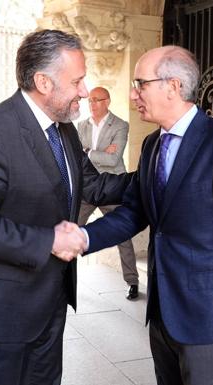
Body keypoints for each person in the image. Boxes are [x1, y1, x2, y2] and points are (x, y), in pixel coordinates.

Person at [66, 45, 213, 385]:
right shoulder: (152, 145)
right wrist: (84, 238)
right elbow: (136, 213)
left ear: (173, 87)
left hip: (207, 317)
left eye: (140, 84)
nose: (132, 95)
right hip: (162, 313)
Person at [0, 29, 131, 385]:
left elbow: (92, 184)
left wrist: (156, 177)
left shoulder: (65, 130)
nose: (83, 90)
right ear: (43, 81)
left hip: (51, 301)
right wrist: (49, 240)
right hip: (2, 309)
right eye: (76, 81)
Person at [77, 86, 139, 300]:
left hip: (112, 187)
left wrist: (88, 152)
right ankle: (59, 279)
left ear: (107, 101)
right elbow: (78, 157)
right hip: (87, 187)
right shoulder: (81, 125)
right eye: (90, 100)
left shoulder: (121, 125)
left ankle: (132, 281)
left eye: (96, 100)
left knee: (123, 235)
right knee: (71, 229)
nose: (92, 104)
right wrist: (94, 153)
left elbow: (113, 160)